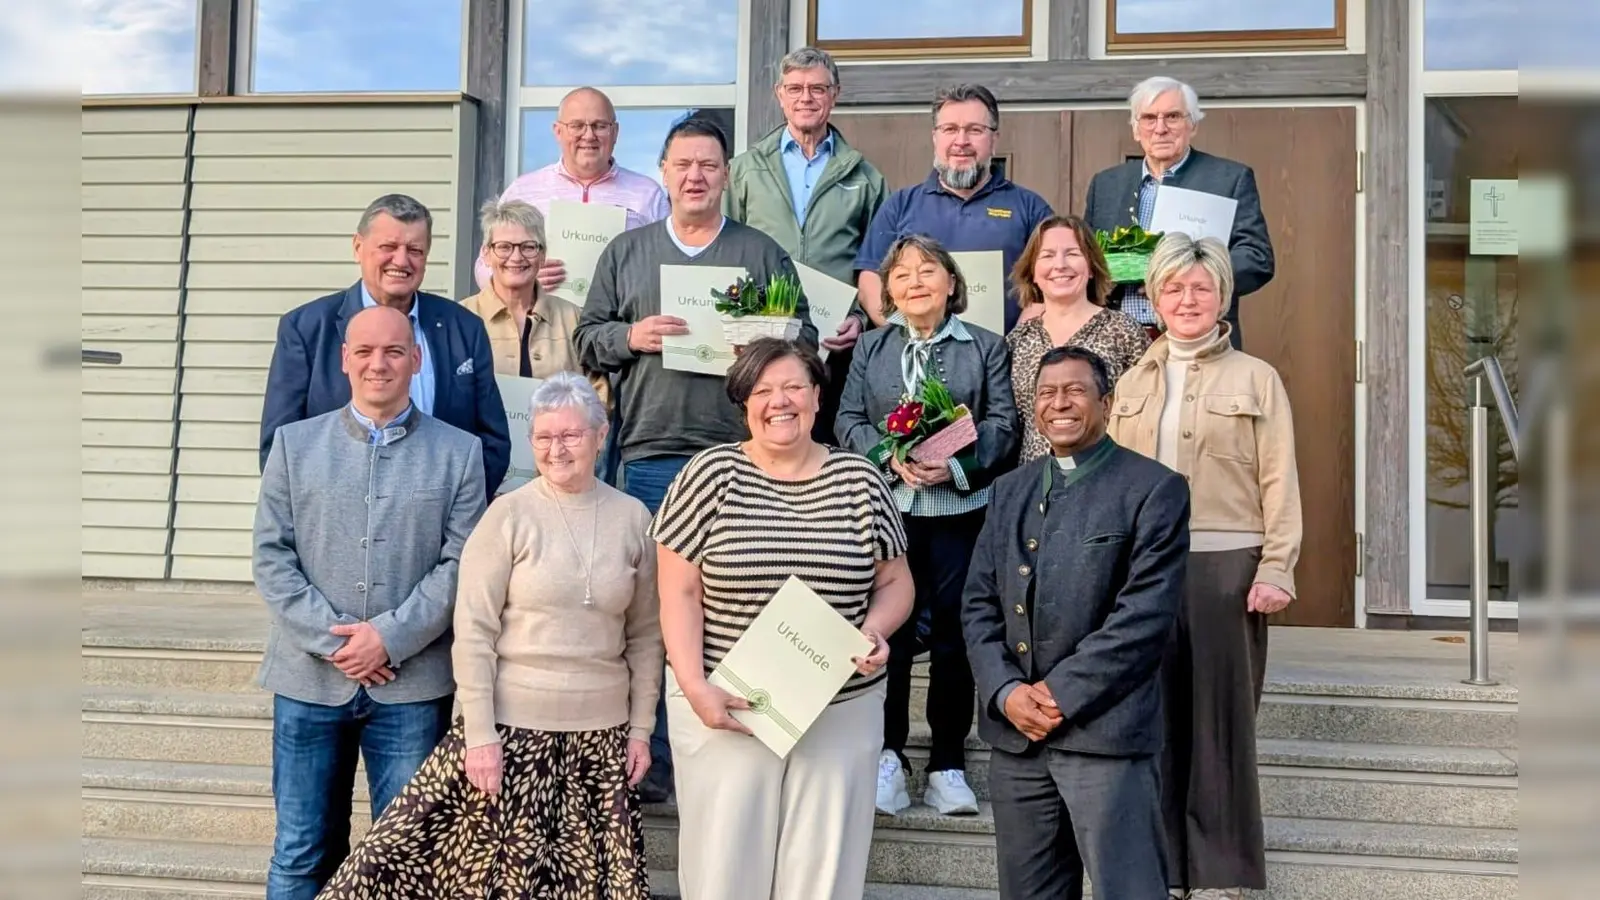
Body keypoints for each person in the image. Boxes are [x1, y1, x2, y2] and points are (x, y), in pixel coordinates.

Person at [314, 372, 661, 899]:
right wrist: (479, 736)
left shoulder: (633, 518)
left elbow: (646, 636)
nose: (556, 449)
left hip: (602, 742)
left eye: (570, 435)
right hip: (511, 736)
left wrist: (640, 730)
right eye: (543, 437)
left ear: (600, 435)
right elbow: (474, 631)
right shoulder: (508, 515)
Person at [574, 116, 816, 802]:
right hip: (651, 452)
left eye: (709, 164)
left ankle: (745, 734)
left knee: (741, 598)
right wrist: (632, 336)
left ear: (726, 175)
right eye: (683, 164)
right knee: (654, 610)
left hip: (743, 458)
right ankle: (654, 759)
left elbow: (804, 341)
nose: (696, 176)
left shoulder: (760, 253)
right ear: (664, 172)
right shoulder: (628, 252)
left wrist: (762, 346)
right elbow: (586, 339)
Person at [653, 339, 914, 900]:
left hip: (840, 706)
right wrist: (695, 687)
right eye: (763, 390)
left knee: (823, 878)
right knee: (724, 874)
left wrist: (874, 629)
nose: (780, 402)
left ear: (817, 397)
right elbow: (678, 592)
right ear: (745, 402)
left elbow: (896, 582)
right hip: (730, 705)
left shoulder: (860, 479)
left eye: (794, 386)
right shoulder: (709, 474)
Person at [253, 306, 487, 900]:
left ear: (416, 359)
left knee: (404, 855)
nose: (377, 364)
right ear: (344, 360)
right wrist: (339, 642)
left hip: (412, 687)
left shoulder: (458, 453)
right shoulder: (294, 445)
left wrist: (389, 638)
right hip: (307, 682)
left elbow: (461, 564)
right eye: (364, 351)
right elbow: (271, 557)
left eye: (393, 351)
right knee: (300, 851)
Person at [1107, 233, 1302, 899]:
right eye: (1173, 288)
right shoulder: (1130, 381)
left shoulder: (1257, 378)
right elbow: (1110, 486)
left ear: (1223, 296)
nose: (1186, 299)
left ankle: (1220, 875)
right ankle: (1161, 871)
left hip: (1228, 568)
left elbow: (1280, 478)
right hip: (1145, 570)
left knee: (1220, 727)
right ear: (1154, 298)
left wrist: (1276, 566)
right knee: (1152, 720)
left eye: (1200, 287)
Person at [963, 345, 1190, 900]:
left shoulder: (1154, 488)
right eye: (1046, 392)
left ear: (1106, 403)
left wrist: (1058, 694)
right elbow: (978, 605)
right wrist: (1005, 692)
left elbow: (1143, 617)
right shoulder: (1010, 489)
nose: (1059, 403)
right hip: (1018, 738)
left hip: (1106, 737)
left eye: (1075, 391)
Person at [835, 234, 1018, 817]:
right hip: (890, 512)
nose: (915, 281)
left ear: (951, 283)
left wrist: (954, 466)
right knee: (886, 632)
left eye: (928, 270)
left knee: (955, 636)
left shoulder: (985, 346)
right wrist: (888, 457)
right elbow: (848, 417)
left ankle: (947, 763)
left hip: (961, 514)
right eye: (902, 273)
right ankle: (888, 756)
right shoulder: (871, 346)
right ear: (887, 289)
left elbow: (1003, 424)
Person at [258, 193, 510, 498]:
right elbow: (279, 449)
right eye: (388, 247)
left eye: (414, 250)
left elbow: (492, 442)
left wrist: (458, 510)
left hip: (442, 521)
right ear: (358, 247)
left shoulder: (464, 328)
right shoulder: (307, 329)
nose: (401, 261)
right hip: (335, 517)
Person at [725, 46, 888, 442]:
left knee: (826, 450)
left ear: (835, 94)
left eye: (818, 88)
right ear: (779, 94)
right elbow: (726, 250)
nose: (806, 98)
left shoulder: (865, 177)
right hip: (761, 345)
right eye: (795, 88)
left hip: (836, 351)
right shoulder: (744, 170)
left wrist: (861, 319)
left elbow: (879, 266)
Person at [1082, 77, 1274, 348]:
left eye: (1172, 116)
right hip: (1118, 341)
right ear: (1136, 129)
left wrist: (1187, 277)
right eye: (1149, 118)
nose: (1160, 128)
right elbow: (1087, 259)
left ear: (1192, 125)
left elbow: (1256, 258)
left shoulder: (1229, 179)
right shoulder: (1106, 185)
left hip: (1199, 338)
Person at [855, 84, 1053, 334]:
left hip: (1007, 353)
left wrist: (1016, 342)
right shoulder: (900, 206)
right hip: (916, 351)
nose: (961, 141)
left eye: (974, 130)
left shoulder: (1030, 208)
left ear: (994, 139)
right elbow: (869, 281)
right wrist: (908, 335)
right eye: (950, 129)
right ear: (935, 138)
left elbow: (1051, 284)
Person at [476, 86, 670, 293]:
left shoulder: (647, 194)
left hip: (622, 313)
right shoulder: (522, 192)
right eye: (576, 126)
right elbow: (484, 265)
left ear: (615, 132)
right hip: (539, 312)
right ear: (558, 131)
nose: (589, 135)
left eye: (599, 126)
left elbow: (670, 263)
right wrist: (520, 279)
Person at [1007, 215, 1150, 462]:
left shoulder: (1125, 332)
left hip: (1107, 473)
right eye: (1047, 255)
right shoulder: (1017, 340)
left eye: (1072, 254)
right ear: (1033, 272)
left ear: (1091, 267)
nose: (1060, 265)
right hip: (1036, 478)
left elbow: (1147, 416)